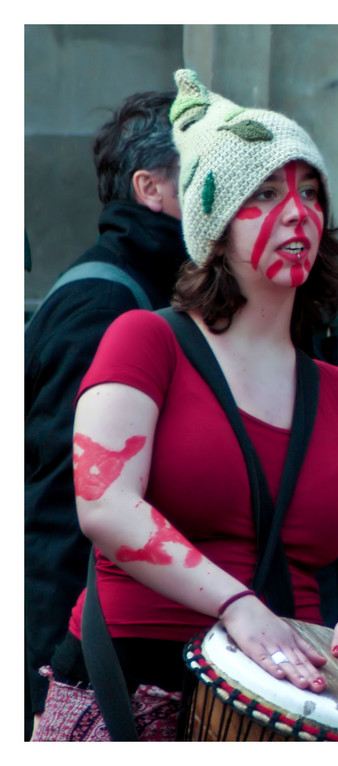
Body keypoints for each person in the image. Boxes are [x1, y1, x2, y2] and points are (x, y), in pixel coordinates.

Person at [31, 69, 338, 742]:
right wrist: (238, 605)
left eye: (311, 192)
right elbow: (104, 506)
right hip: (135, 686)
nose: (296, 212)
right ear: (213, 222)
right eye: (263, 193)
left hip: (289, 703)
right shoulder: (144, 338)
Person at [24, 90, 187, 737]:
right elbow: (59, 515)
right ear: (150, 187)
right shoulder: (105, 305)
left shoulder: (142, 290)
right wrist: (44, 680)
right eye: (201, 173)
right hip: (76, 664)